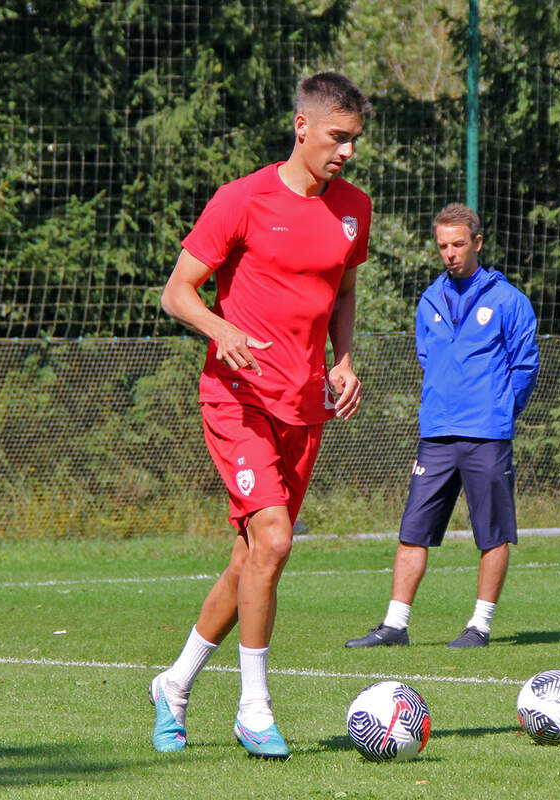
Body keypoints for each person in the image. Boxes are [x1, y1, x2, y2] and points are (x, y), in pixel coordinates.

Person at [150, 72, 373, 759]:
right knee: (274, 540)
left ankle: (174, 685)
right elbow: (177, 293)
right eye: (338, 138)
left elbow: (342, 287)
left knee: (251, 557)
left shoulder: (353, 209)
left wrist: (343, 358)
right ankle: (254, 707)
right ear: (301, 126)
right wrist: (220, 330)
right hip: (236, 397)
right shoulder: (241, 199)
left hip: (306, 407)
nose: (347, 152)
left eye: (356, 141)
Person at [345, 203, 539, 649]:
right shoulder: (430, 298)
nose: (449, 253)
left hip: (487, 434)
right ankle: (395, 625)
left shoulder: (509, 301)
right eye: (442, 246)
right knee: (413, 531)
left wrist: (500, 410)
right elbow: (427, 357)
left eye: (457, 245)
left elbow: (524, 366)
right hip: (436, 433)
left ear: (477, 243)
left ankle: (480, 625)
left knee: (492, 534)